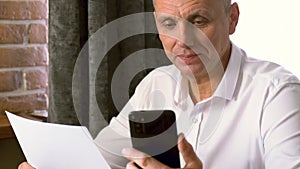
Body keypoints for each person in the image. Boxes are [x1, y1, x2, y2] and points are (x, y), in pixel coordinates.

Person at [19, 0, 300, 168]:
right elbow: (99, 161)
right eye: (168, 24)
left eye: (198, 20)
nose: (182, 41)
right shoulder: (156, 84)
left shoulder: (277, 94)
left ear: (232, 19)